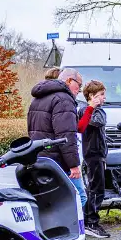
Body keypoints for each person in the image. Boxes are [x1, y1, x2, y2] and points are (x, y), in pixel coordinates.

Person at [28, 68, 85, 207]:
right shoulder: (64, 100)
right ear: (69, 80)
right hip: (58, 161)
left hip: (39, 159)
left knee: (49, 201)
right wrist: (73, 165)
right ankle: (74, 229)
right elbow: (66, 135)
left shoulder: (38, 97)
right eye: (79, 85)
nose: (80, 90)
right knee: (79, 198)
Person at [78, 80, 110, 239]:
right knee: (96, 189)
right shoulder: (87, 110)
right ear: (91, 96)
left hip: (98, 153)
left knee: (97, 188)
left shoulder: (95, 110)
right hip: (93, 153)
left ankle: (90, 220)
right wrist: (93, 106)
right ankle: (91, 222)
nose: (104, 98)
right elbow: (97, 121)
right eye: (101, 95)